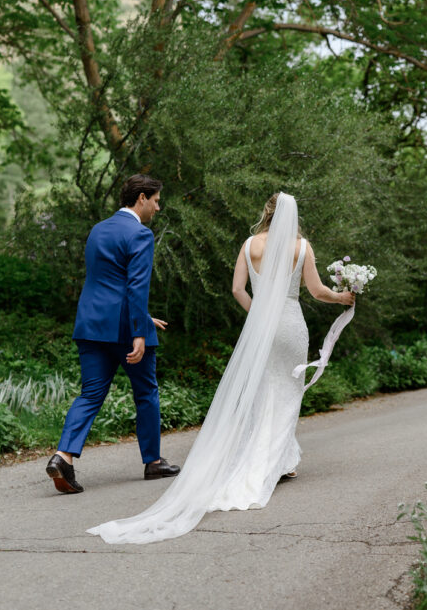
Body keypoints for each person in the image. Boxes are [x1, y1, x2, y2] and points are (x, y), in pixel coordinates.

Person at [88, 192, 353, 543]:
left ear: (267, 211)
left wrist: (258, 315)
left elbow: (237, 289)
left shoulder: (248, 245)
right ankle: (276, 464)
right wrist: (343, 297)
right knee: (288, 392)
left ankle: (282, 458)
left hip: (261, 325)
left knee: (262, 391)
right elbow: (317, 290)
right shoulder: (301, 247)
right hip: (290, 325)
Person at [45, 174, 180, 494]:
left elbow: (107, 281)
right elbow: (135, 286)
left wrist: (144, 317)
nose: (158, 208)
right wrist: (138, 331)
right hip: (125, 330)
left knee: (90, 394)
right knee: (146, 392)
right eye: (157, 201)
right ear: (142, 198)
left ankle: (63, 456)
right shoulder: (140, 234)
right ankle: (153, 461)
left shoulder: (98, 229)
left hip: (91, 325)